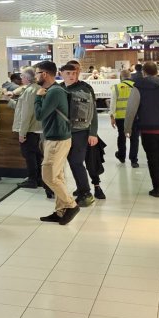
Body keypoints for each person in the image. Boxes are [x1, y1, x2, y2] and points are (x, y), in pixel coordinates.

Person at [123, 61, 159, 198]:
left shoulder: (138, 87)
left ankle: (157, 187)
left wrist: (127, 127)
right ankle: (158, 185)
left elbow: (131, 110)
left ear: (143, 72)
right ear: (157, 72)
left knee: (152, 158)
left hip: (147, 129)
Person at [33, 61, 77, 224]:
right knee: (58, 175)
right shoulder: (55, 90)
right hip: (57, 138)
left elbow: (40, 115)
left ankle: (71, 205)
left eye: (37, 73)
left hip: (57, 139)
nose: (35, 76)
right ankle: (60, 211)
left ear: (44, 74)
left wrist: (38, 99)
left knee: (49, 176)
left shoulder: (53, 92)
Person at [60, 62, 100, 208]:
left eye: (74, 73)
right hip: (65, 132)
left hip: (81, 133)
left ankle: (86, 193)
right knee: (72, 162)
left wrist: (93, 133)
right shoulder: (60, 88)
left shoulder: (85, 88)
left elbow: (93, 112)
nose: (72, 76)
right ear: (62, 73)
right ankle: (81, 187)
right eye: (68, 73)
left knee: (77, 162)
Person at [12, 69, 47, 192]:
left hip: (29, 128)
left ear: (27, 77)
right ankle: (38, 178)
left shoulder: (30, 91)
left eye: (23, 76)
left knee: (29, 154)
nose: (21, 78)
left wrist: (22, 133)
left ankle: (32, 179)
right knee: (35, 153)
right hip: (35, 128)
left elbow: (26, 113)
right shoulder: (35, 88)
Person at [110, 66, 140, 168]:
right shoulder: (136, 86)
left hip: (120, 117)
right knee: (134, 138)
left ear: (121, 77)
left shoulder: (116, 87)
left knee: (121, 136)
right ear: (130, 76)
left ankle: (122, 156)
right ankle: (134, 160)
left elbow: (113, 103)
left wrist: (112, 117)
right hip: (134, 117)